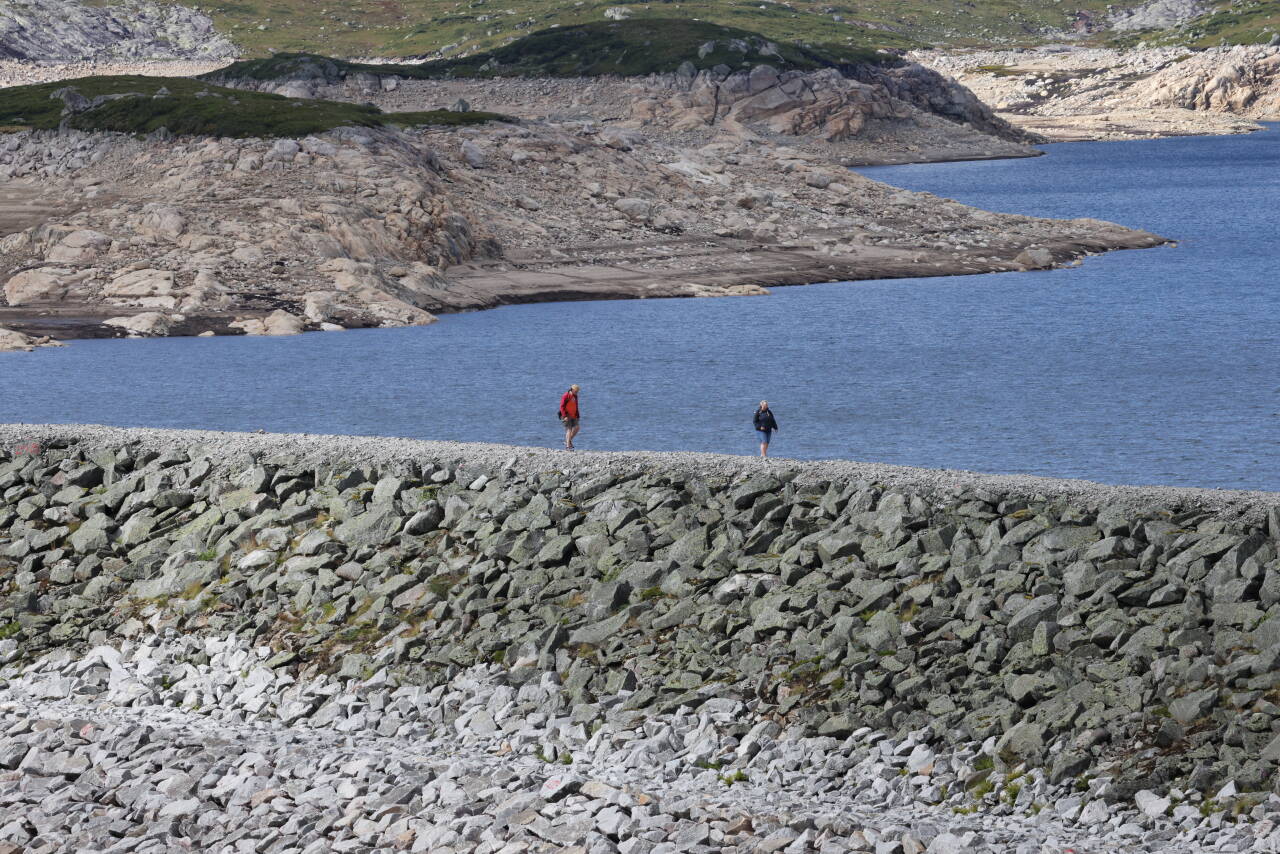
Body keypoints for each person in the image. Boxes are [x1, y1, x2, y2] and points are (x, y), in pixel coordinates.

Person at [559, 384, 581, 450]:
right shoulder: (566, 396)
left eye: (577, 391)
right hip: (566, 416)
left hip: (574, 415)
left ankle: (567, 441)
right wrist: (564, 416)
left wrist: (578, 415)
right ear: (572, 389)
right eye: (576, 391)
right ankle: (568, 446)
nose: (577, 392)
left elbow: (576, 406)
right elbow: (562, 407)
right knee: (569, 429)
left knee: (577, 428)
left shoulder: (575, 396)